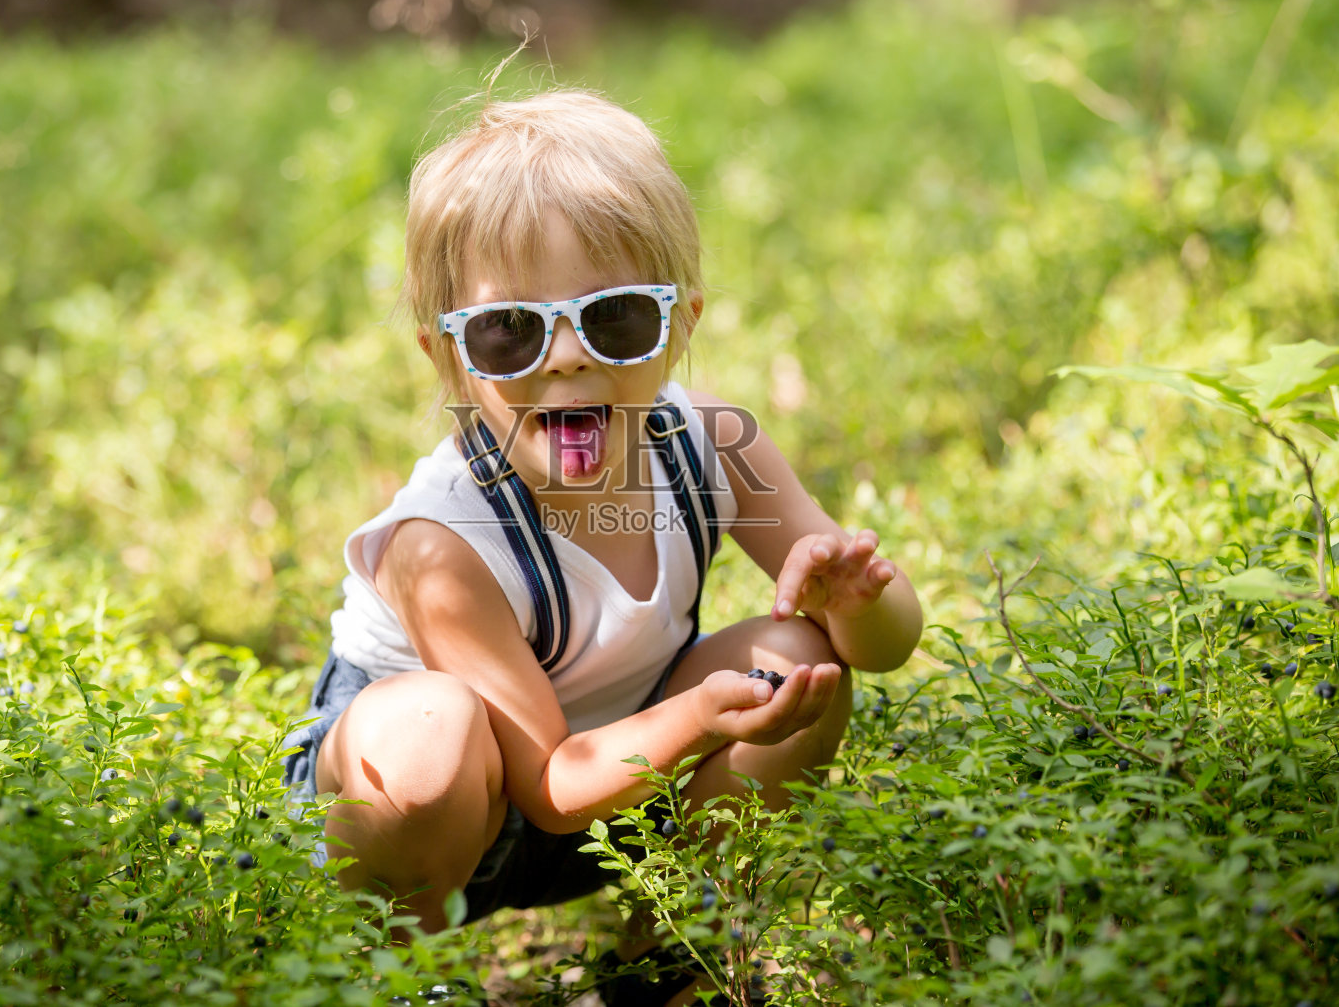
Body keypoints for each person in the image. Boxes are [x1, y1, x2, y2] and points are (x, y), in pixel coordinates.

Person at [282, 90, 923, 1004]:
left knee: (801, 661)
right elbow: (546, 786)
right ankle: (384, 969)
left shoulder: (712, 443)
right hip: (441, 822)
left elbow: (887, 648)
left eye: (616, 317)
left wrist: (861, 601)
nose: (571, 356)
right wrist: (702, 715)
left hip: (621, 793)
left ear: (682, 323)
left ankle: (668, 955)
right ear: (447, 357)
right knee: (427, 733)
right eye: (511, 331)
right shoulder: (442, 543)